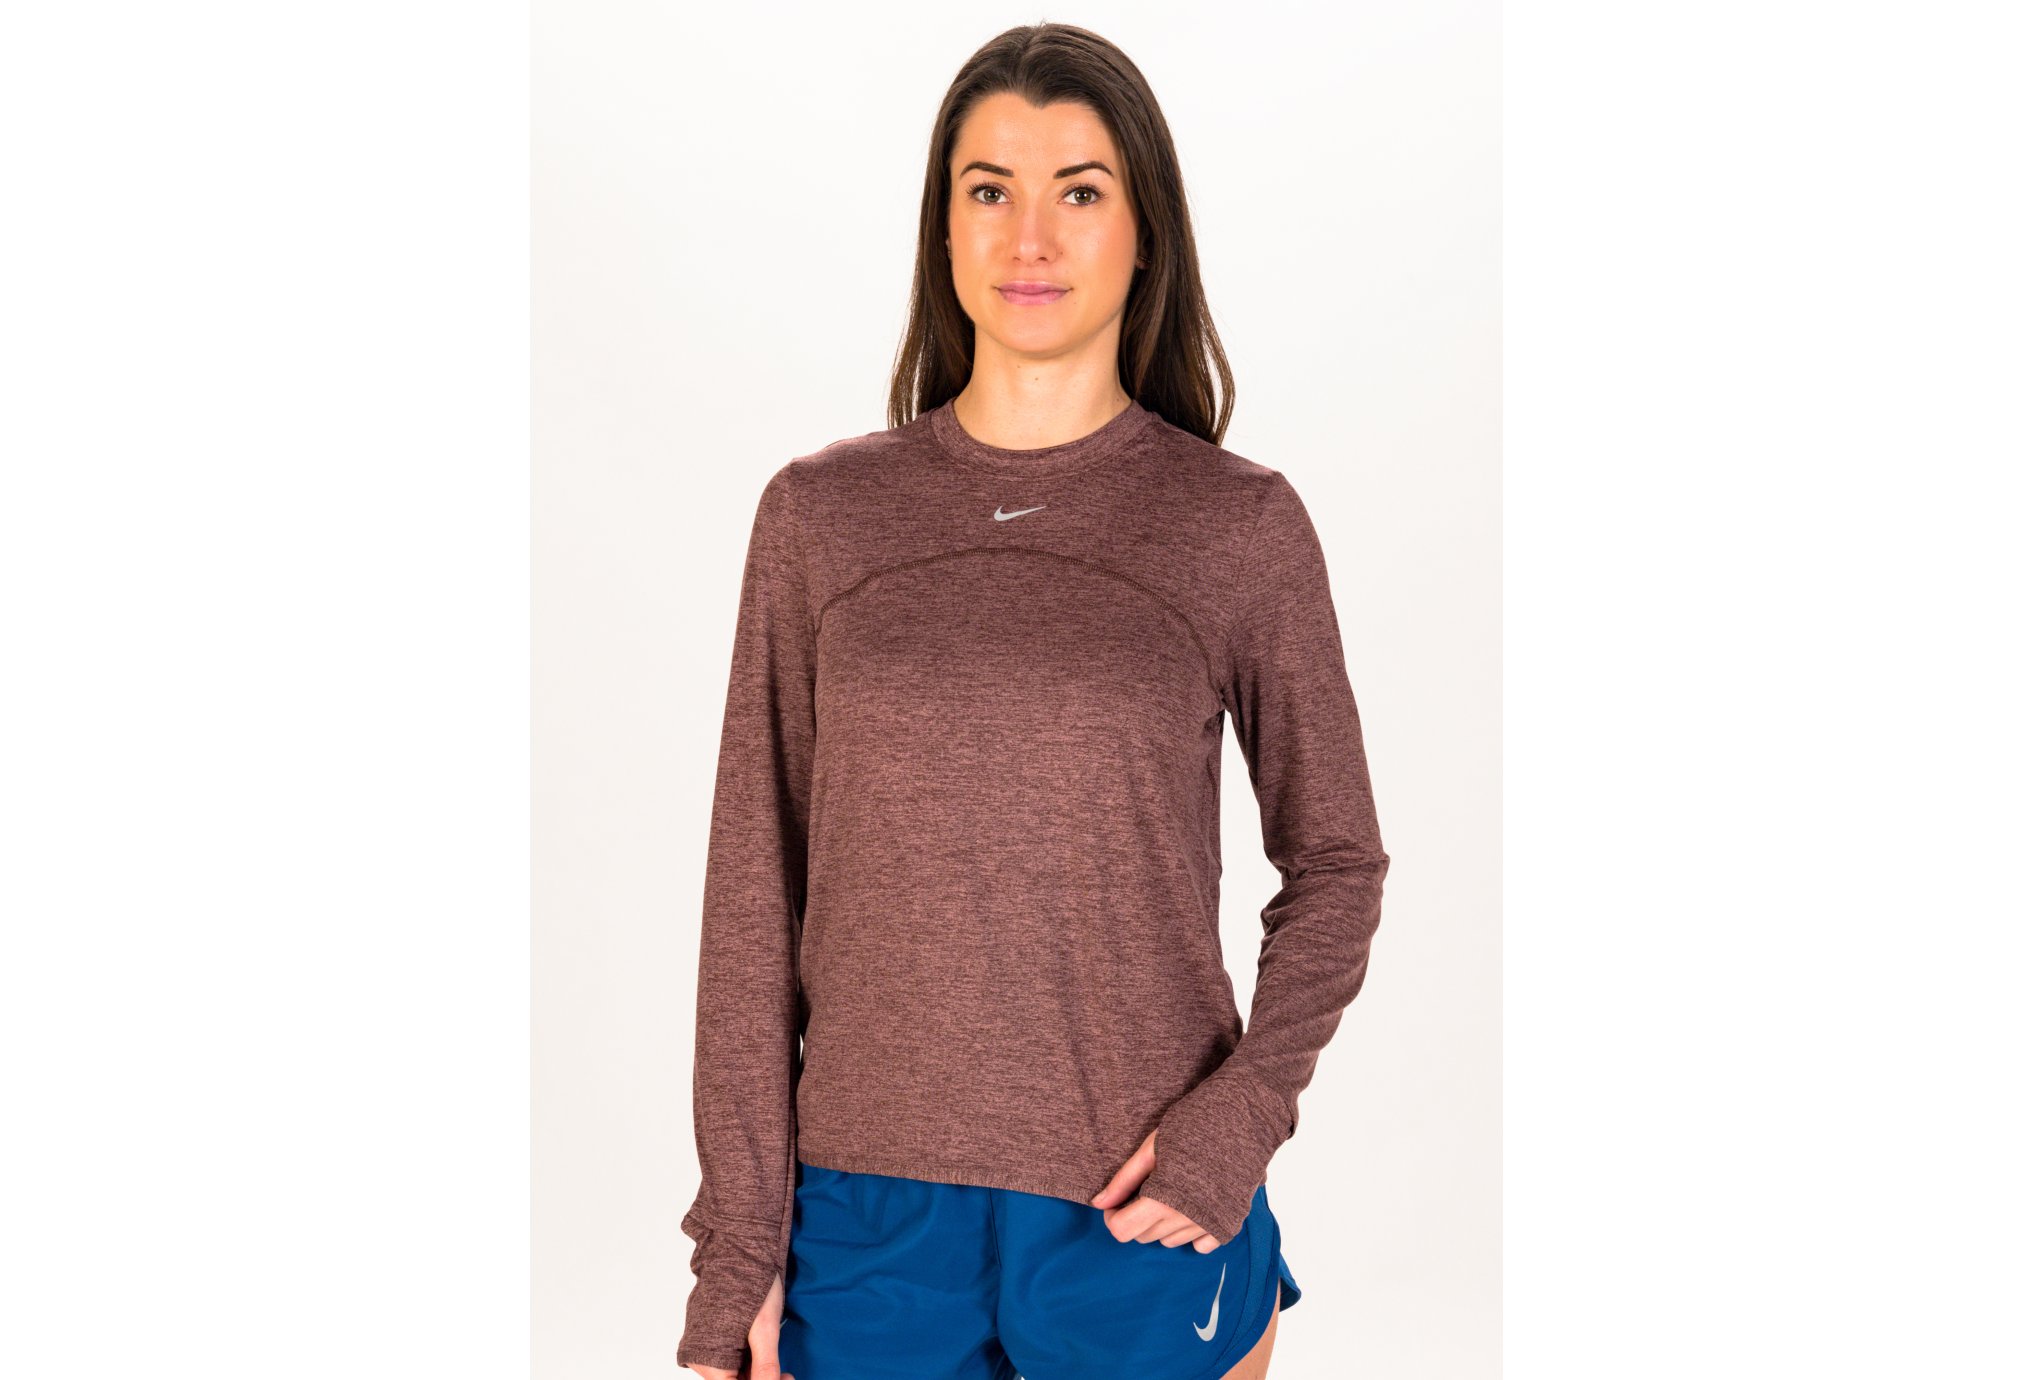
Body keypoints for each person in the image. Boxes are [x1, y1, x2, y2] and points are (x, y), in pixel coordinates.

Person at [676, 22, 1390, 1380]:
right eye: (990, 189)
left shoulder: (1235, 527)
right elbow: (753, 900)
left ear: (1144, 232)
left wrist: (1235, 1124)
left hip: (1139, 1207)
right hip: (862, 1223)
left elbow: (1338, 861)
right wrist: (739, 1249)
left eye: (1080, 190)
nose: (1031, 237)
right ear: (943, 229)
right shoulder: (820, 519)